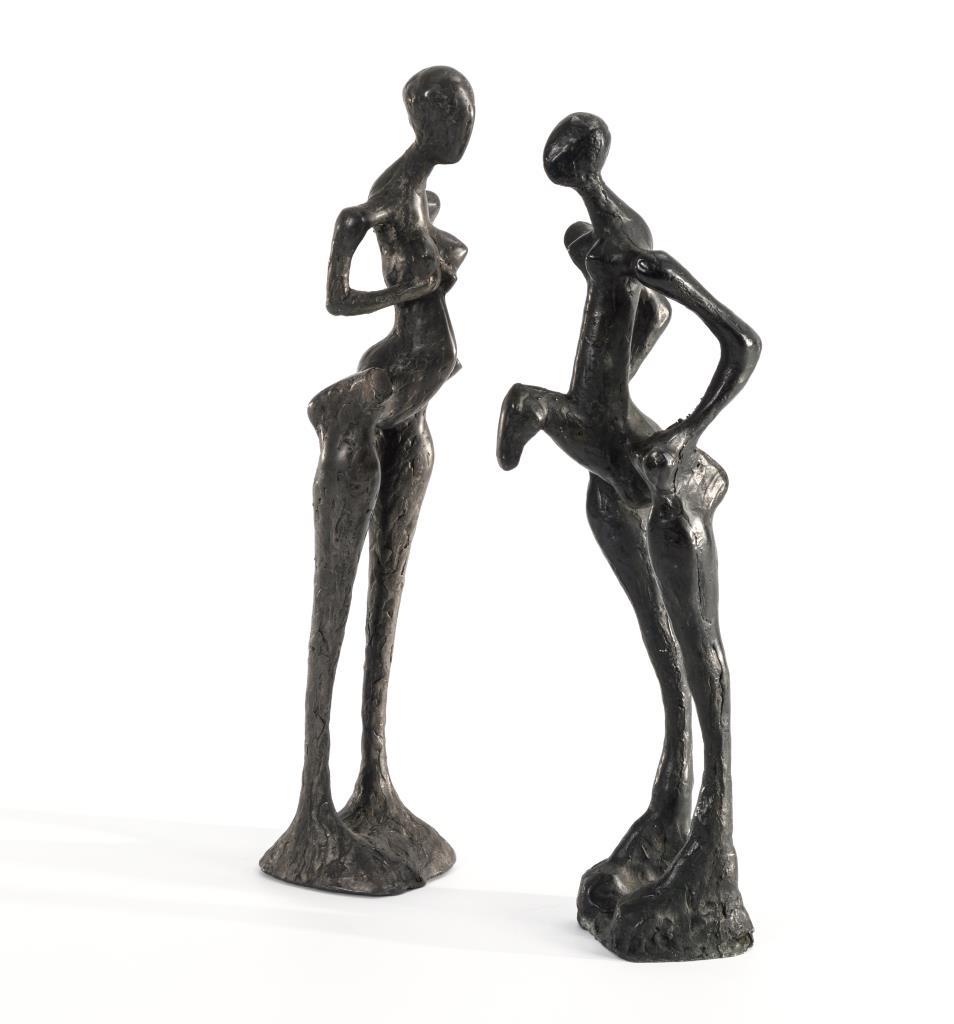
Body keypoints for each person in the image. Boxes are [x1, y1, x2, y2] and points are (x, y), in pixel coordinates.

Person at [497, 112, 761, 960]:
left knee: (699, 652)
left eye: (567, 156)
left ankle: (713, 850)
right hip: (614, 479)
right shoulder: (598, 245)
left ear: (588, 159)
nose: (559, 163)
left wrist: (683, 431)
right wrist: (609, 387)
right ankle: (668, 817)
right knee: (662, 648)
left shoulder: (632, 250)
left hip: (662, 483)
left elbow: (741, 342)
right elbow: (651, 325)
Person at [260, 67, 473, 895]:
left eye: (469, 114)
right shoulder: (387, 196)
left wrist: (439, 258)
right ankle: (315, 812)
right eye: (453, 113)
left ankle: (372, 788)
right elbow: (337, 295)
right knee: (336, 607)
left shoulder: (421, 198)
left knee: (389, 598)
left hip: (412, 403)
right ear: (424, 114)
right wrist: (408, 285)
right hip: (377, 401)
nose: (464, 127)